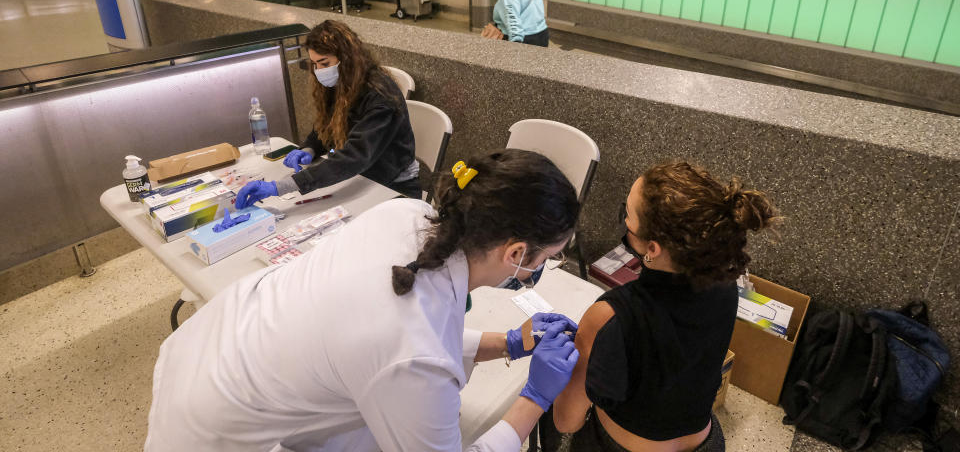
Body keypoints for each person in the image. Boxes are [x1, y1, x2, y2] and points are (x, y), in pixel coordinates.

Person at [145, 149, 582, 451]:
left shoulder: (408, 215)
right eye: (548, 257)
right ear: (516, 253)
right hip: (214, 424)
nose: (544, 266)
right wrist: (534, 397)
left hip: (220, 346)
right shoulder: (412, 354)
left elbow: (402, 339)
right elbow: (408, 353)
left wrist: (505, 342)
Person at [545, 161, 781, 452]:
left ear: (653, 248)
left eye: (626, 216)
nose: (624, 222)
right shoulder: (726, 286)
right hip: (706, 443)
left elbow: (567, 422)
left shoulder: (609, 315)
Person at [236, 20, 421, 206]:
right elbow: (327, 126)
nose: (319, 71)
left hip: (393, 188)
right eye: (315, 64)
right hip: (360, 178)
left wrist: (280, 187)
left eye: (324, 63)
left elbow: (353, 157)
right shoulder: (342, 82)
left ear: (347, 59)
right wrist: (310, 148)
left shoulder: (380, 97)